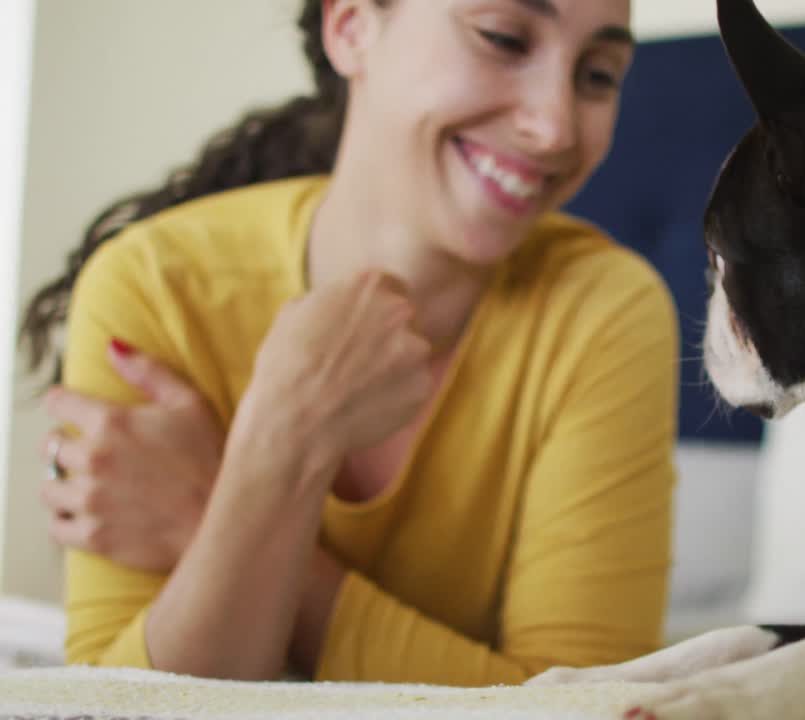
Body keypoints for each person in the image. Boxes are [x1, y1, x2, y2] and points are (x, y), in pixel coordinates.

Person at [20, 0, 678, 685]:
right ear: (352, 26)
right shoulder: (153, 286)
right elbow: (114, 705)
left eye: (599, 76)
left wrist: (218, 511)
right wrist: (283, 447)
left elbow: (589, 707)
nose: (553, 127)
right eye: (504, 39)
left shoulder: (603, 312)